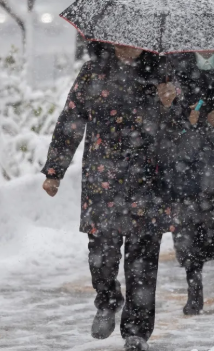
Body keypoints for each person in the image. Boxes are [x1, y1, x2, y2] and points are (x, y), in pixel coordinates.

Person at [41, 42, 171, 351]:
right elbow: (71, 120)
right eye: (122, 41)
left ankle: (137, 331)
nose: (128, 47)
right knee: (102, 253)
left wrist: (172, 106)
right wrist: (54, 170)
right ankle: (107, 300)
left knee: (143, 259)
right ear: (110, 41)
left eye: (136, 42)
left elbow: (183, 128)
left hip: (149, 178)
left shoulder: (162, 72)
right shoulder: (93, 72)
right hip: (104, 179)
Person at [160, 51, 214, 315]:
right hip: (188, 163)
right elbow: (162, 112)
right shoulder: (174, 65)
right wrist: (184, 119)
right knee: (189, 227)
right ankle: (194, 287)